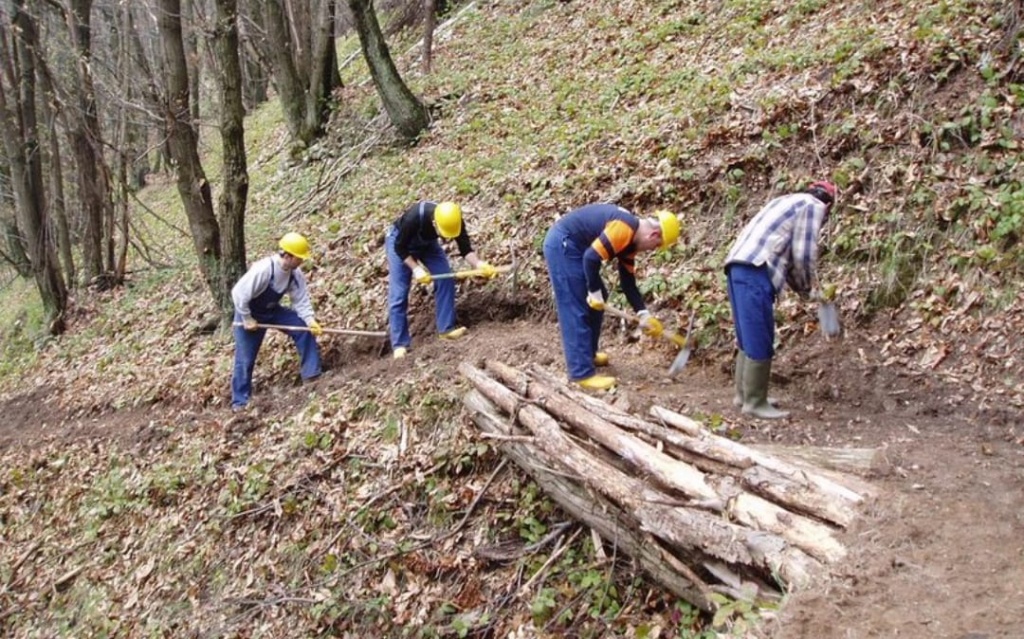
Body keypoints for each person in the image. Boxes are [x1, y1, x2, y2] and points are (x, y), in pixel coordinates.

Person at [724, 180, 837, 419]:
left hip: (737, 264)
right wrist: (806, 288)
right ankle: (755, 402)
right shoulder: (812, 206)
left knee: (747, 331)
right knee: (760, 333)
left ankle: (744, 394)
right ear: (828, 205)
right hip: (756, 269)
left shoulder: (785, 200)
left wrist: (802, 289)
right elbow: (803, 254)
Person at [543, 203, 682, 390]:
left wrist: (644, 314)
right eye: (656, 246)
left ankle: (588, 354)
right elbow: (591, 258)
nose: (652, 250)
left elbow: (628, 283)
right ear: (654, 235)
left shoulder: (630, 243)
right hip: (564, 244)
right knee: (576, 303)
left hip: (578, 248)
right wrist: (593, 292)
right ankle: (581, 373)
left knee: (599, 297)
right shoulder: (624, 228)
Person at [386, 201, 497, 359]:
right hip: (400, 243)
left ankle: (446, 329)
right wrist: (416, 268)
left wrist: (480, 264)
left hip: (427, 244)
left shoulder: (454, 220)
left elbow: (465, 249)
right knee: (399, 292)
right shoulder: (414, 218)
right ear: (434, 223)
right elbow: (400, 248)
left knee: (446, 277)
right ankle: (400, 344)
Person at [231, 232, 323, 411]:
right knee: (245, 358)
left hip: (272, 310)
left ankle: (312, 374)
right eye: (299, 258)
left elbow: (301, 300)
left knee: (302, 329)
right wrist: (247, 318)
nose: (301, 262)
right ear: (287, 255)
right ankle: (240, 402)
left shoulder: (295, 274)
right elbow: (238, 294)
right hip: (249, 313)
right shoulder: (264, 269)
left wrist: (310, 321)